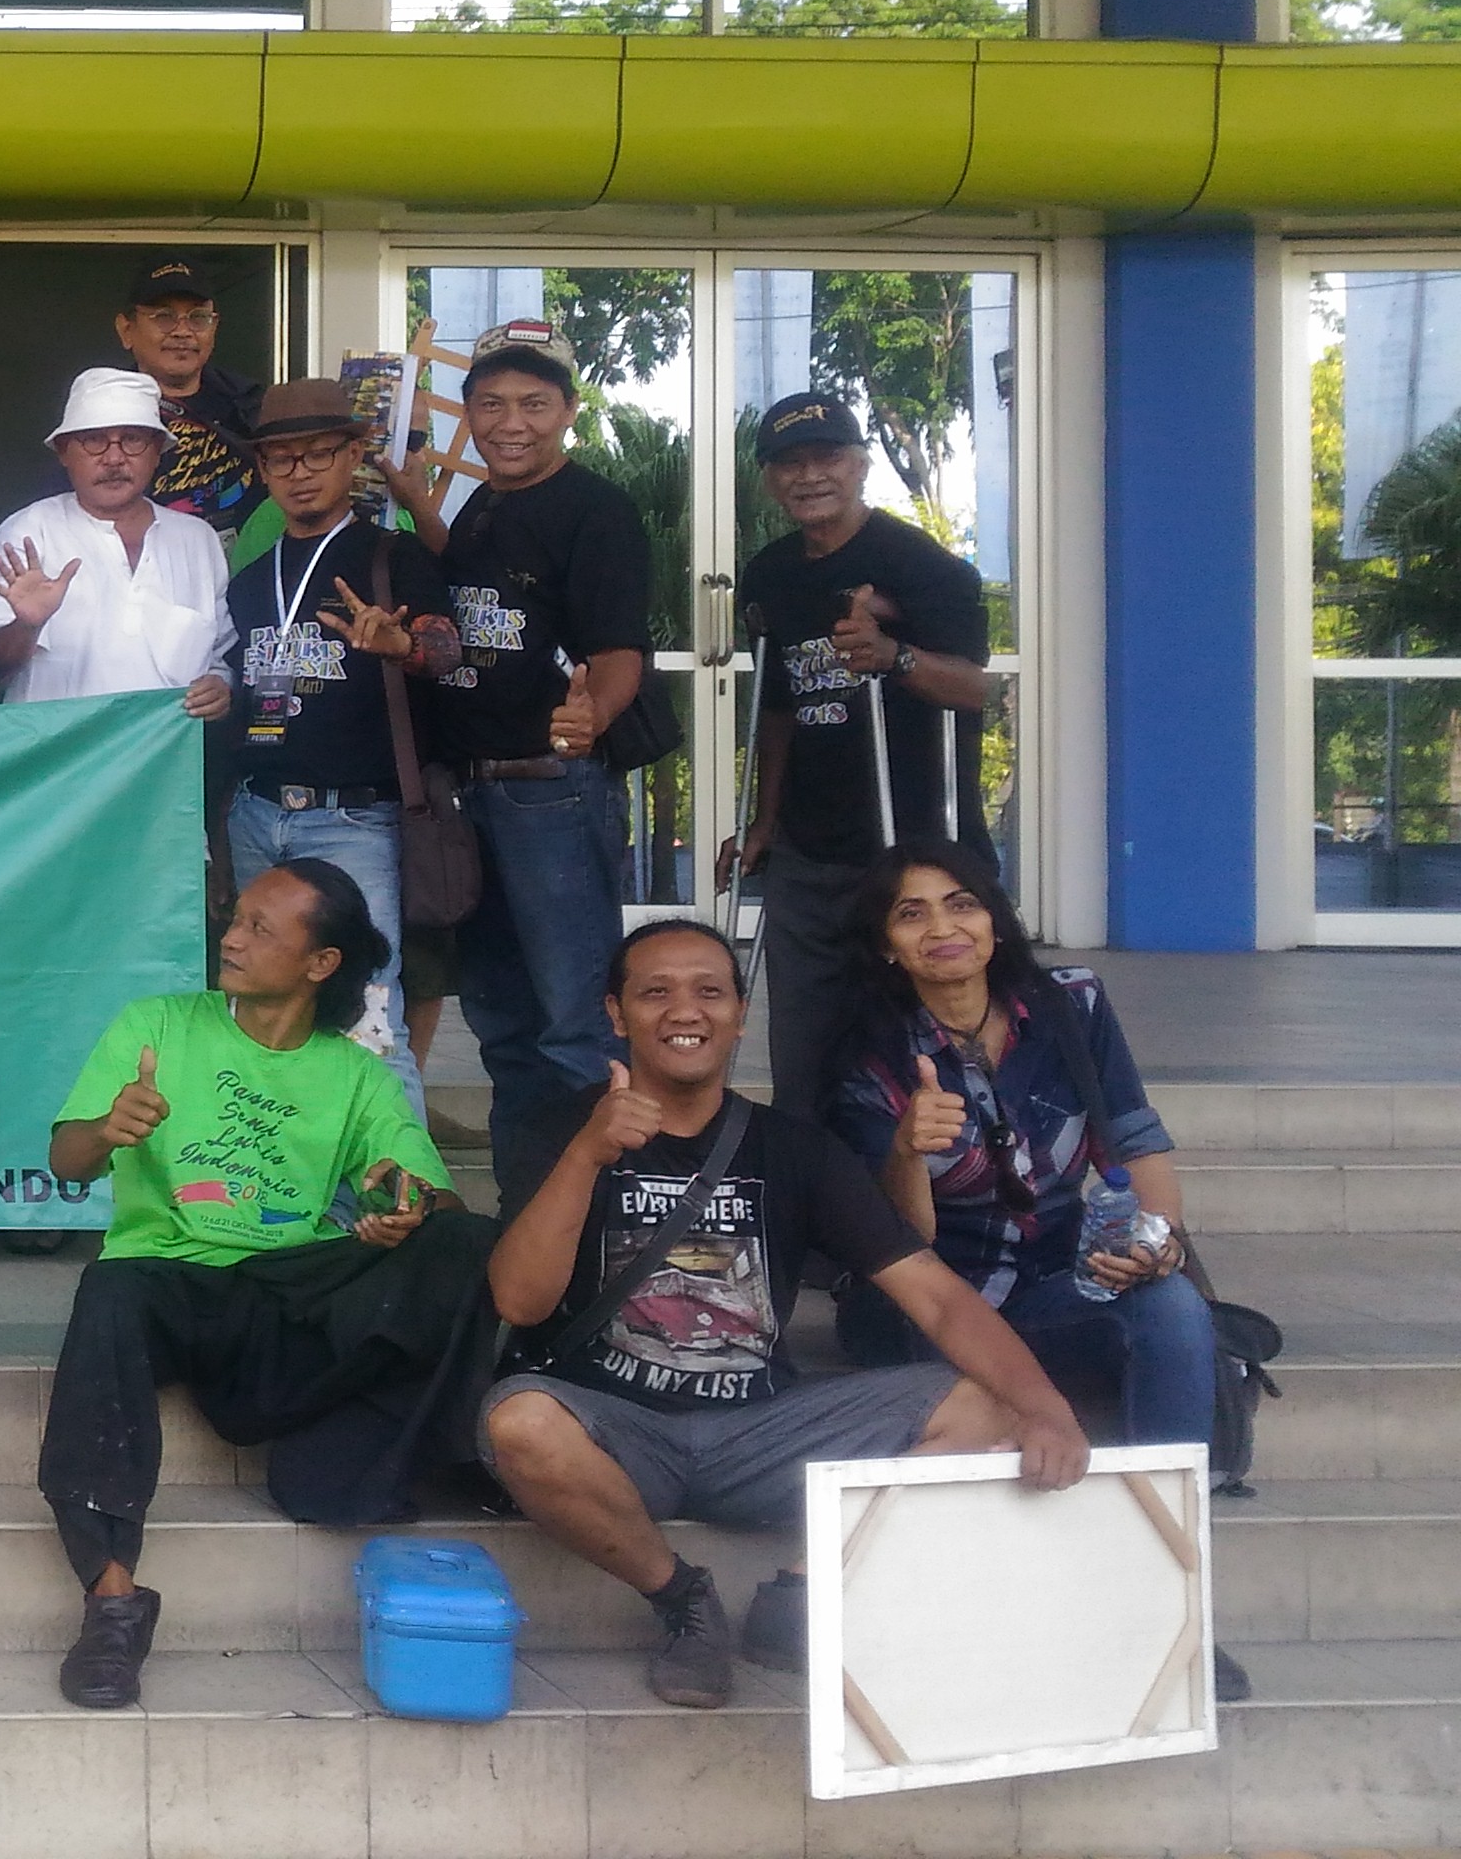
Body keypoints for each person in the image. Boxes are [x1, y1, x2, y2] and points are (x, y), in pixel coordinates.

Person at [480, 919, 1093, 1710]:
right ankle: (682, 1600)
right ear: (616, 1013)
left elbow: (935, 1297)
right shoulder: (558, 1129)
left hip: (761, 1433)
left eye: (709, 991)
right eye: (655, 992)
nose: (683, 1010)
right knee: (519, 1422)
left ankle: (798, 1594)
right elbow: (518, 1301)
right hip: (616, 1433)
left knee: (984, 1404)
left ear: (740, 1014)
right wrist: (587, 1155)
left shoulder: (795, 1149)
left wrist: (1048, 1409)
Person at [33, 861, 493, 1710]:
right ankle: (110, 1601)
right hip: (167, 1275)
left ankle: (437, 1455)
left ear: (321, 964)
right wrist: (107, 1127)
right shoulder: (160, 1025)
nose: (232, 939)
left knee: (465, 1242)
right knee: (108, 1292)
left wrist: (401, 1205)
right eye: (234, 920)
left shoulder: (354, 1075)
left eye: (259, 929)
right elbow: (66, 1159)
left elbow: (420, 1184)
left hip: (288, 1293)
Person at [825, 847, 1235, 1491]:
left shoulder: (1071, 1006)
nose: (942, 929)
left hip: (1055, 1282)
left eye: (962, 905)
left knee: (1170, 1301)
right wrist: (908, 1151)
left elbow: (1134, 1140)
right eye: (912, 914)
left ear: (994, 920)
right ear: (885, 945)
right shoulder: (869, 1054)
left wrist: (1156, 1243)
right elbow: (905, 1243)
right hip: (939, 1310)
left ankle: (1177, 1501)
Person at [416, 320, 654, 1209]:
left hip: (550, 791)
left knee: (575, 1022)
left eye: (532, 404)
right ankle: (532, 1207)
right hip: (473, 798)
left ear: (567, 410)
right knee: (504, 1023)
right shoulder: (487, 504)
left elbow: (621, 646)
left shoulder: (598, 509)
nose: (510, 422)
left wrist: (595, 717)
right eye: (490, 405)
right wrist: (421, 504)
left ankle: (607, 1212)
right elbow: (477, 593)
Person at [732, 391, 996, 1129]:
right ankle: (812, 1205)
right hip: (811, 850)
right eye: (789, 463)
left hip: (914, 846)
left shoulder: (924, 567)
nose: (809, 476)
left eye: (827, 458)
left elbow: (975, 690)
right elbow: (778, 707)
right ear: (767, 478)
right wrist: (764, 820)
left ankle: (938, 1199)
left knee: (918, 1042)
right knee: (805, 1050)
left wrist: (894, 656)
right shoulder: (771, 574)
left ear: (860, 465)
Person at [220, 380, 463, 1111]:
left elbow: (449, 654)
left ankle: (401, 1198)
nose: (299, 471)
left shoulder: (393, 559)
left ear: (353, 455)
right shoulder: (248, 581)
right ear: (262, 470)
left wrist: (404, 644)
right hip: (256, 815)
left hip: (354, 819)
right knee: (262, 1007)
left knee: (365, 1012)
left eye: (318, 453)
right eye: (281, 458)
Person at [0, 368, 235, 717]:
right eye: (94, 440)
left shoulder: (198, 540)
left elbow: (221, 659)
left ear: (157, 452)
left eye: (133, 439)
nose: (114, 457)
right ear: (63, 452)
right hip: (60, 764)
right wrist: (26, 626)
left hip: (164, 765)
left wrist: (220, 686)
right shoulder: (28, 531)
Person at [110, 253, 268, 559]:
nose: (183, 332)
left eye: (197, 317)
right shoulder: (102, 413)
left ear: (214, 327)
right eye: (164, 317)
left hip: (243, 578)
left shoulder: (250, 403)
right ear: (126, 330)